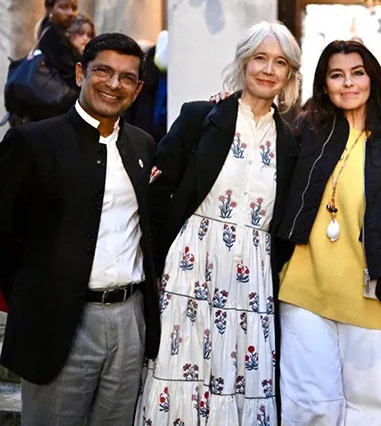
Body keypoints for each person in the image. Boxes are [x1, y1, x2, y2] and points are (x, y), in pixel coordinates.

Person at [134, 21, 301, 426]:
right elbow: (156, 195)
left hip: (252, 277)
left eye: (279, 62)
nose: (268, 69)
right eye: (260, 58)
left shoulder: (291, 141)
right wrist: (155, 263)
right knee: (182, 373)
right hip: (191, 266)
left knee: (240, 378)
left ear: (290, 74)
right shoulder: (200, 117)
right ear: (243, 62)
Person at [0, 33, 159, 425]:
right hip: (58, 325)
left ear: (137, 89)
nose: (113, 83)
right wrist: (30, 298)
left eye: (126, 77)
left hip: (129, 321)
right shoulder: (32, 142)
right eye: (103, 71)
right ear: (79, 73)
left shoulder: (143, 145)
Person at [275, 40, 381, 425]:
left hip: (371, 296)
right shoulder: (304, 135)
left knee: (368, 409)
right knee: (311, 407)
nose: (348, 83)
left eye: (357, 73)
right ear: (324, 85)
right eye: (336, 75)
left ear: (372, 79)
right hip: (304, 291)